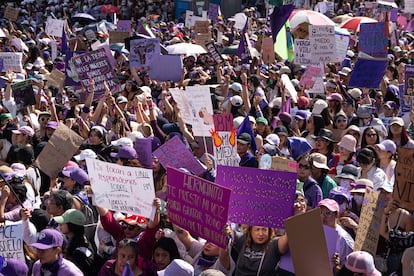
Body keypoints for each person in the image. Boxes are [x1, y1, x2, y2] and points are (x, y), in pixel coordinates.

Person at [54, 209, 97, 274]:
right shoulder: (69, 241)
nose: (60, 225)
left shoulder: (80, 252)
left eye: (63, 223)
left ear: (72, 225)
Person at [318, 199, 354, 267]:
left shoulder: (344, 239)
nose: (323, 217)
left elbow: (349, 270)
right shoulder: (316, 231)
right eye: (320, 213)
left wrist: (337, 265)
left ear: (336, 215)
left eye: (328, 213)